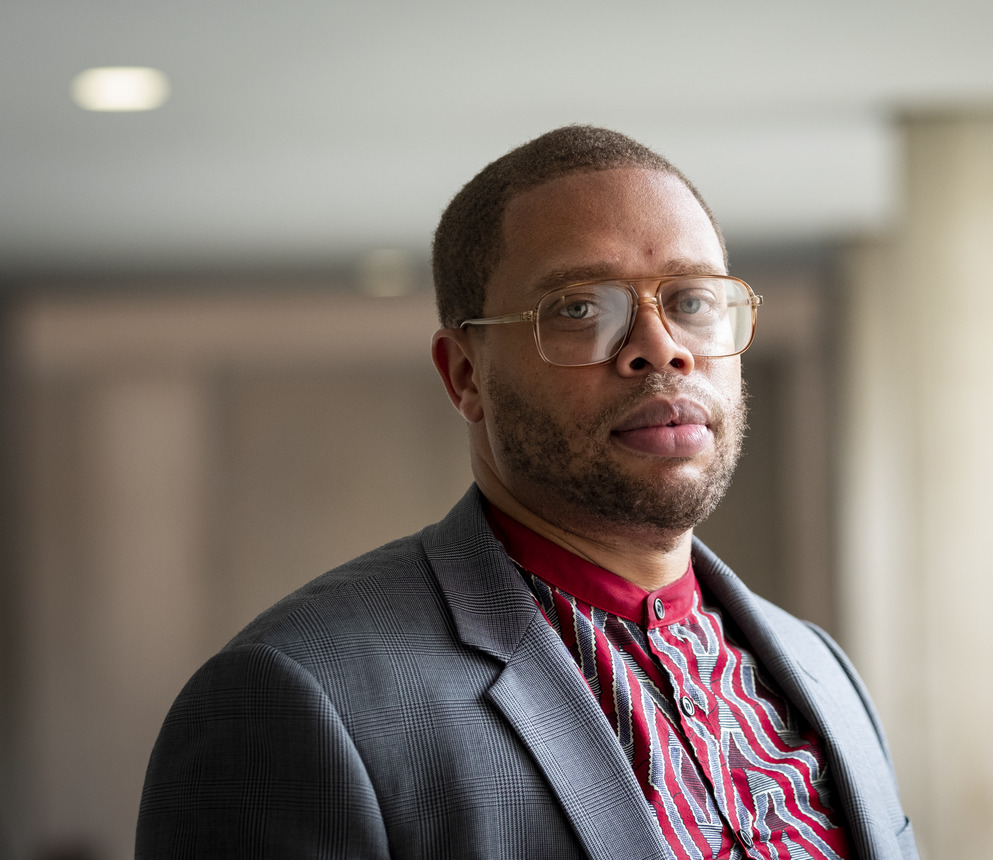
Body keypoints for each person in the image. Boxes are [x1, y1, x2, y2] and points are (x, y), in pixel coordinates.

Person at [136, 125, 919, 859]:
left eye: (691, 301)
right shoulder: (297, 697)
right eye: (580, 308)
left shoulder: (821, 671)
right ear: (466, 375)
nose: (661, 349)